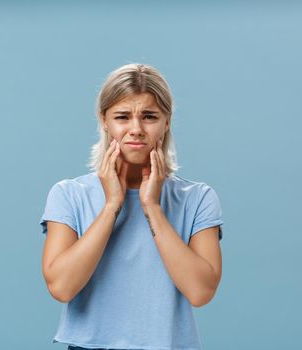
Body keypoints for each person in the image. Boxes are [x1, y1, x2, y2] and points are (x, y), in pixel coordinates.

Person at [39, 63, 224, 350]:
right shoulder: (68, 194)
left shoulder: (198, 197)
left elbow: (201, 292)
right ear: (104, 121)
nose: (136, 129)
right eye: (122, 117)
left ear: (166, 121)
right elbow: (62, 287)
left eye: (149, 116)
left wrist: (151, 206)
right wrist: (113, 204)